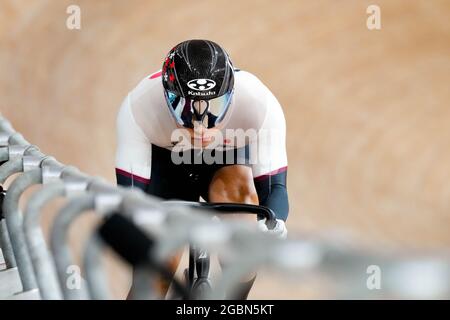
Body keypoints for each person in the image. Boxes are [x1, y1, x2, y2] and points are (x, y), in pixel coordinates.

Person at [115, 39, 289, 299]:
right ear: (166, 95)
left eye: (214, 109)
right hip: (167, 163)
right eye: (184, 109)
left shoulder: (259, 103)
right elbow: (130, 202)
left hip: (225, 162)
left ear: (232, 94)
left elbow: (274, 189)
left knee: (243, 234)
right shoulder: (139, 107)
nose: (200, 127)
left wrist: (272, 225)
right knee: (158, 264)